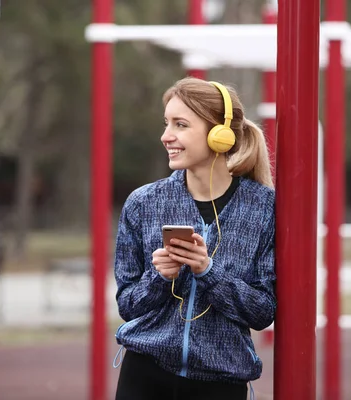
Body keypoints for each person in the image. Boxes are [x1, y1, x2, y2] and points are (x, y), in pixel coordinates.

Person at [113, 76, 276, 400]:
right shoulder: (143, 203)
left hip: (220, 385)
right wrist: (159, 277)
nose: (166, 136)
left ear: (219, 134)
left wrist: (208, 272)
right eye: (166, 123)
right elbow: (127, 305)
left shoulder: (263, 208)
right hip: (144, 377)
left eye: (180, 125)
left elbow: (262, 312)